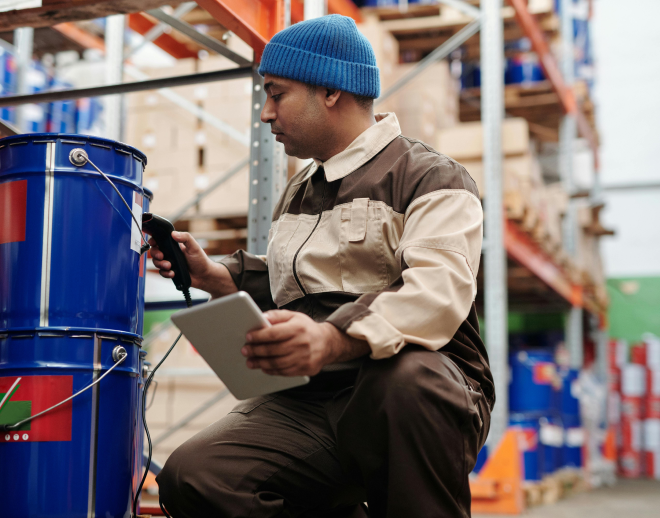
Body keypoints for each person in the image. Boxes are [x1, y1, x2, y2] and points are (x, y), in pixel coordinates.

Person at [152, 14, 494, 518]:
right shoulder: (299, 191)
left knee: (402, 382)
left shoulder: (430, 177)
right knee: (196, 476)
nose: (266, 114)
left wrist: (331, 339)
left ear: (331, 91)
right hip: (316, 394)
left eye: (277, 94)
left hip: (423, 388)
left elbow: (436, 296)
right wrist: (214, 275)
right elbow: (298, 281)